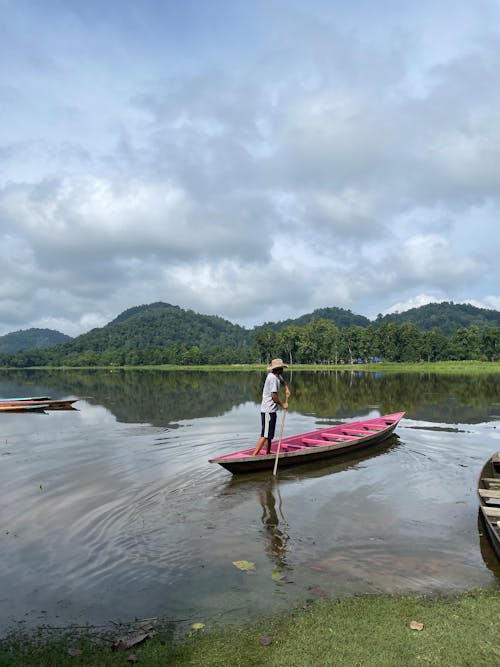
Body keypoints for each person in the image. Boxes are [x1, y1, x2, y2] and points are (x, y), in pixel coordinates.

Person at [252, 358, 291, 456]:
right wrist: (283, 405)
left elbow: (283, 382)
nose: (283, 370)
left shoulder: (277, 376)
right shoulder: (272, 378)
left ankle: (268, 453)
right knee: (265, 435)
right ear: (277, 369)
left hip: (272, 411)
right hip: (267, 411)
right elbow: (274, 396)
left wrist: (286, 389)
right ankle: (253, 456)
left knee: (269, 435)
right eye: (281, 368)